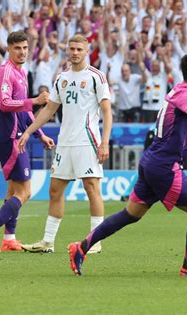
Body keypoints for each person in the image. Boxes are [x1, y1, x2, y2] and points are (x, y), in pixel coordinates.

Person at [66, 52, 187, 276]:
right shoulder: (184, 91)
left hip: (153, 162)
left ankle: (80, 248)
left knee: (131, 214)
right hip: (165, 166)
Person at [18, 35, 112, 254]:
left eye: (79, 49)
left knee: (91, 187)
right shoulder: (61, 78)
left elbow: (106, 111)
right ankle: (47, 242)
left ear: (86, 51)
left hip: (87, 140)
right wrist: (29, 131)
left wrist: (104, 142)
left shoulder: (96, 76)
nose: (75, 52)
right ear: (67, 51)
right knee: (55, 190)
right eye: (71, 49)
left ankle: (96, 241)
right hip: (65, 142)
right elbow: (49, 110)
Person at [0, 31, 53, 253]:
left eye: (25, 48)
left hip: (16, 132)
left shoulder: (21, 71)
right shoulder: (5, 72)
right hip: (9, 135)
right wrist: (35, 101)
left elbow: (24, 112)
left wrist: (40, 133)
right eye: (17, 48)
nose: (22, 52)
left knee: (13, 191)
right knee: (25, 192)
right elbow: (6, 104)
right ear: (8, 49)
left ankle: (9, 238)